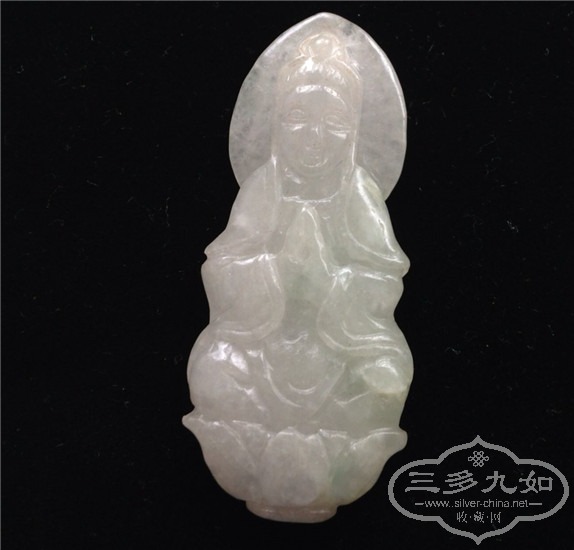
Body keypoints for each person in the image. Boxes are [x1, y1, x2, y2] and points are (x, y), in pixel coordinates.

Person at [187, 32, 412, 439]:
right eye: (297, 118)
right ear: (276, 126)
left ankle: (307, 446)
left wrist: (330, 279)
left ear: (353, 132)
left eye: (334, 123)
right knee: (214, 367)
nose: (314, 137)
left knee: (387, 374)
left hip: (341, 348)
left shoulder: (357, 191)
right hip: (263, 345)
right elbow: (221, 266)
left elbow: (385, 277)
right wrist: (276, 270)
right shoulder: (263, 186)